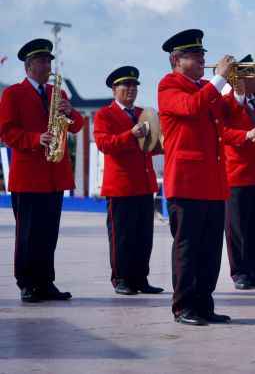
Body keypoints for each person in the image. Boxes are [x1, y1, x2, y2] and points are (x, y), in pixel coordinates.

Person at [158, 29, 235, 326]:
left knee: (211, 250)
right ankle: (184, 306)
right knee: (187, 248)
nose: (203, 59)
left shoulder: (206, 86)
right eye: (196, 55)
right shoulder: (168, 85)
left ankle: (204, 304)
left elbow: (226, 113)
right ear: (176, 60)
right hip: (187, 182)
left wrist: (240, 89)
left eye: (203, 54)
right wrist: (221, 79)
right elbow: (192, 107)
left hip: (213, 182)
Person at [0, 38, 83, 302]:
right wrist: (36, 139)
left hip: (54, 175)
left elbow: (77, 126)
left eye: (49, 60)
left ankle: (46, 282)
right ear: (29, 65)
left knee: (49, 233)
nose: (48, 65)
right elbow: (7, 131)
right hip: (28, 177)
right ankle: (27, 283)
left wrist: (70, 111)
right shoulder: (13, 94)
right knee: (28, 234)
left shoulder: (58, 93)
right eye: (42, 61)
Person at [93, 66, 164, 296]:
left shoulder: (144, 113)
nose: (131, 90)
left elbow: (150, 147)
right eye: (126, 85)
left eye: (134, 86)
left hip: (144, 184)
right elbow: (105, 144)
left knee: (144, 236)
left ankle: (140, 278)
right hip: (120, 187)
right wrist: (130, 135)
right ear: (115, 89)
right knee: (121, 236)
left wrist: (164, 143)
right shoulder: (105, 114)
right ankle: (121, 278)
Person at [221, 55, 255, 290]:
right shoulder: (227, 102)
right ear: (239, 79)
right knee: (238, 227)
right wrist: (246, 135)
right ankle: (240, 272)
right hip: (237, 173)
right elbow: (221, 131)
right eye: (252, 74)